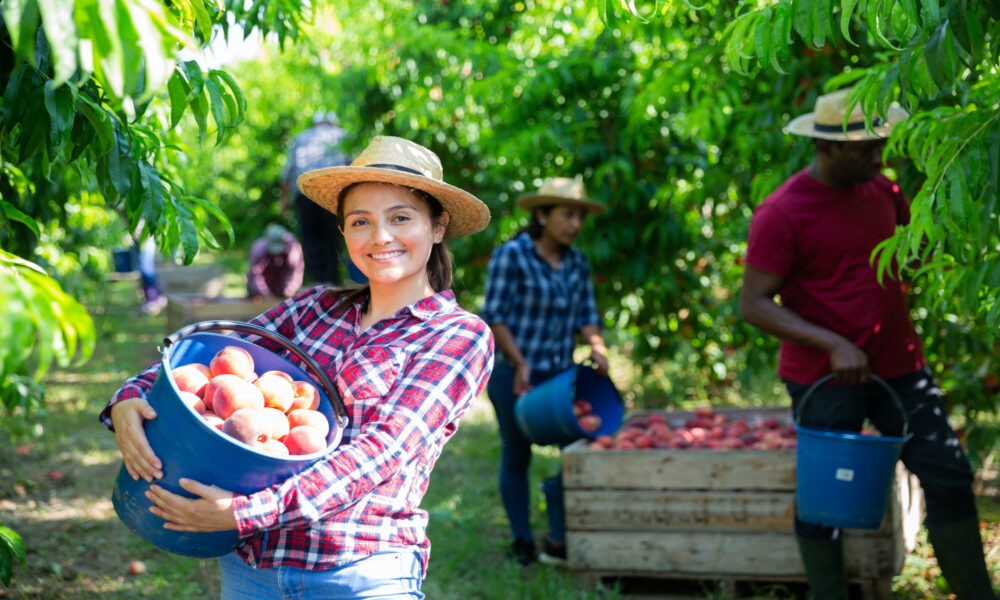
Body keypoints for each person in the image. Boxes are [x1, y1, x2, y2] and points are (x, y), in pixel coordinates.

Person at [101, 136, 495, 598]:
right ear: (344, 234)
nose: (380, 237)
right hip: (254, 568)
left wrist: (245, 513)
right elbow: (211, 355)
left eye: (401, 218)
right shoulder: (313, 308)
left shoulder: (457, 335)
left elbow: (382, 451)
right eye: (360, 222)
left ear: (439, 226)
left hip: (361, 571)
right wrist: (133, 394)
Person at [739, 87, 996, 599]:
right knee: (826, 497)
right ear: (825, 147)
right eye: (865, 149)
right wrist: (832, 342)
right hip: (825, 377)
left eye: (880, 146)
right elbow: (754, 304)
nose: (878, 157)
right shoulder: (782, 212)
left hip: (898, 364)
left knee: (946, 472)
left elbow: (909, 257)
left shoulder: (884, 190)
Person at [480, 177, 610, 566]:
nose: (575, 224)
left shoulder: (576, 262)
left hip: (560, 377)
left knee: (574, 451)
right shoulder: (512, 256)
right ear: (543, 215)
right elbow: (496, 317)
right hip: (513, 374)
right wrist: (520, 362)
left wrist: (597, 346)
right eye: (567, 214)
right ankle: (523, 541)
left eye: (580, 216)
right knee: (516, 453)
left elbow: (587, 314)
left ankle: (560, 536)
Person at [280, 110, 349, 286]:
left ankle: (319, 281)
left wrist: (284, 201)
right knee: (333, 236)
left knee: (311, 237)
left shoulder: (301, 137)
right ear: (332, 122)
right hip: (333, 193)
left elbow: (287, 172)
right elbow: (353, 168)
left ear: (315, 123)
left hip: (305, 193)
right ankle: (332, 279)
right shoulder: (343, 136)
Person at [245, 223, 305, 299]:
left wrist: (289, 290)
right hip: (263, 288)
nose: (277, 254)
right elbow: (254, 275)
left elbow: (295, 271)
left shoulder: (292, 247)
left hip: (282, 285)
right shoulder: (258, 249)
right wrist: (265, 293)